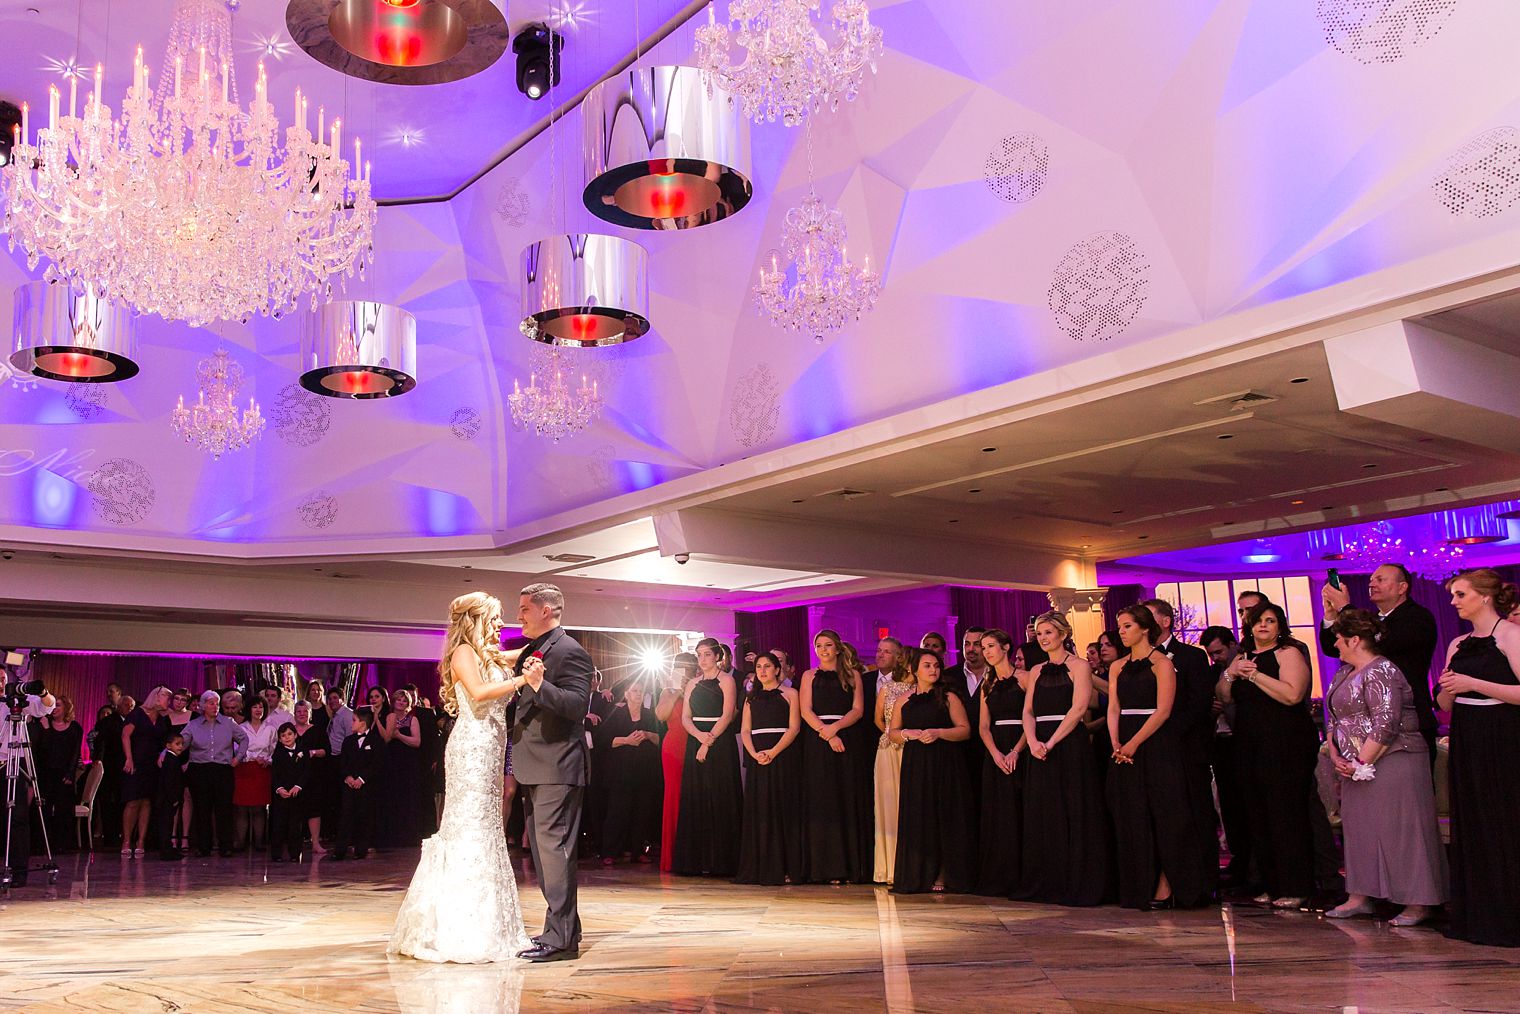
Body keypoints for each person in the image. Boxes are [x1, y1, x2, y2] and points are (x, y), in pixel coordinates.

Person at [390, 592, 536, 962]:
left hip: (491, 749)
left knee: (488, 827)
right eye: (496, 616)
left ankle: (491, 922)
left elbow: (521, 653)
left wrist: (545, 644)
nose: (503, 622)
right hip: (470, 748)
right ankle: (459, 927)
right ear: (475, 618)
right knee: (467, 827)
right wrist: (523, 681)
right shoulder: (464, 653)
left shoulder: (488, 653)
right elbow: (480, 692)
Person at [1322, 609, 1445, 926]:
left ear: (1354, 639)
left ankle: (1418, 901)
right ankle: (1361, 896)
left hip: (1394, 759)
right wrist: (1337, 756)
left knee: (1401, 829)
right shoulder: (1343, 672)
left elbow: (1386, 723)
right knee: (1360, 829)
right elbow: (1335, 719)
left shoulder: (1383, 671)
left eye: (1337, 638)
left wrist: (1363, 762)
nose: (1334, 644)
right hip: (1354, 763)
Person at [508, 583, 595, 963]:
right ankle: (561, 931)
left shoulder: (571, 652)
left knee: (555, 855)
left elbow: (577, 706)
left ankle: (561, 941)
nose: (519, 614)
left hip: (558, 766)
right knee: (545, 859)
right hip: (535, 765)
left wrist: (540, 685)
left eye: (525, 608)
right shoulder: (534, 648)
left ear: (547, 610)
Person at [1436, 569, 1520, 947]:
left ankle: (1508, 917)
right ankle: (1478, 915)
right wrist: (1447, 689)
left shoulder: (1511, 635)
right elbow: (1444, 704)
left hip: (1502, 734)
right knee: (1471, 818)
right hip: (1466, 733)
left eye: (1460, 594)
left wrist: (1474, 684)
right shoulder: (1458, 643)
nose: (1454, 602)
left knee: (1503, 818)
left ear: (1484, 597)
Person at [1219, 602, 1318, 909]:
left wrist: (1253, 676)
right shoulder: (1243, 657)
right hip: (1249, 743)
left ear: (1279, 626)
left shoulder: (1287, 653)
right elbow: (1223, 697)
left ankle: (1296, 885)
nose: (1263, 626)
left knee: (1284, 814)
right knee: (1257, 815)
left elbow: (1292, 695)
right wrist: (1230, 673)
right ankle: (1270, 883)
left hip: (1284, 744)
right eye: (1257, 621)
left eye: (1270, 621)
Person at [1108, 607, 1208, 910]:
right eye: (1120, 626)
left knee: (1165, 814)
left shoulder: (1162, 663)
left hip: (1155, 743)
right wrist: (1115, 741)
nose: (1121, 632)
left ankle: (1169, 884)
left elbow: (1163, 710)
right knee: (1130, 815)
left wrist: (1134, 743)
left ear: (1144, 628)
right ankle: (1138, 885)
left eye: (1127, 626)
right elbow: (1114, 707)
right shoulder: (1117, 666)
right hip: (1122, 743)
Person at [1016, 613, 1110, 907]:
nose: (1043, 638)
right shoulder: (1036, 670)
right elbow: (1028, 711)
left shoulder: (1079, 666)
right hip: (1039, 745)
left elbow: (1079, 707)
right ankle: (1048, 880)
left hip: (1068, 743)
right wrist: (1032, 742)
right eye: (1039, 633)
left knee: (1074, 808)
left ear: (1062, 634)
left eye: (1048, 632)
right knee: (1044, 812)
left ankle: (1077, 880)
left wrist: (1052, 741)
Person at [1321, 564, 1439, 758]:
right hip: (1365, 721)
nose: (1372, 584)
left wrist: (1345, 608)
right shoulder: (1372, 619)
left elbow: (1380, 644)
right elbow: (1331, 648)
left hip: (1408, 716)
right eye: (1371, 581)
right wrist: (1331, 615)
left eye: (1380, 580)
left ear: (1402, 587)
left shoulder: (1418, 617)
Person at [1142, 599, 1218, 893]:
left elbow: (1200, 704)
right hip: (1149, 748)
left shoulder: (1190, 656)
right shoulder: (1136, 659)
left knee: (1194, 812)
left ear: (1165, 621)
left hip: (1184, 746)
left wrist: (1166, 732)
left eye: (1148, 617)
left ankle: (1202, 882)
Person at [890, 648, 974, 894]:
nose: (933, 670)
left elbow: (964, 730)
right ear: (914, 670)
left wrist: (939, 733)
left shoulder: (948, 696)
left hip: (946, 760)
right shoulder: (904, 699)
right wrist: (908, 734)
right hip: (916, 762)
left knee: (945, 815)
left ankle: (945, 872)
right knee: (919, 815)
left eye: (936, 666)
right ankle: (919, 872)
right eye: (927, 666)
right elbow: (893, 733)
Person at [799, 629, 868, 884]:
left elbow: (858, 710)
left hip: (847, 737)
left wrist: (836, 730)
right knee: (822, 799)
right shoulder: (808, 676)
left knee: (845, 797)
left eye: (828, 645)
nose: (823, 650)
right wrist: (825, 733)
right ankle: (823, 867)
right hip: (818, 740)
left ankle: (849, 867)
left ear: (838, 648)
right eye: (819, 646)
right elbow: (805, 710)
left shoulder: (853, 675)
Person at [673, 638, 743, 878]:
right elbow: (685, 718)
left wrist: (709, 740)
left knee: (720, 795)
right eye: (699, 655)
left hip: (720, 742)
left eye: (706, 654)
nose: (702, 659)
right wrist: (699, 738)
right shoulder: (692, 683)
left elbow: (727, 715)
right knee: (696, 796)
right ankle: (696, 860)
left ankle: (723, 862)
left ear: (717, 656)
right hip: (697, 739)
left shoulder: (727, 681)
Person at [735, 653, 804, 885]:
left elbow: (794, 728)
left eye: (767, 666)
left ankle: (786, 867)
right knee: (760, 810)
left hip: (782, 756)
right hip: (758, 756)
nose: (762, 671)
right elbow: (745, 730)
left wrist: (773, 752)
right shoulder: (750, 698)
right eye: (758, 667)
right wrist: (754, 754)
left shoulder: (791, 694)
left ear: (777, 670)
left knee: (783, 809)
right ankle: (760, 867)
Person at [975, 628, 1026, 896]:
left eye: (991, 646)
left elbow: (1031, 717)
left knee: (1022, 810)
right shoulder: (987, 684)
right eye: (984, 648)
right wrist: (995, 753)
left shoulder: (1026, 678)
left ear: (1006, 648)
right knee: (999, 813)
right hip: (995, 750)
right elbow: (984, 726)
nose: (986, 652)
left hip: (1022, 745)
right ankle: (1000, 875)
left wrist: (1016, 750)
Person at [1199, 626, 1250, 886]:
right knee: (1228, 806)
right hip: (1220, 743)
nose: (1215, 657)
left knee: (1248, 804)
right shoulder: (1211, 672)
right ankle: (1239, 859)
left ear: (1233, 644)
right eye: (1210, 654)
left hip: (1244, 741)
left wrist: (1227, 701)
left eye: (1218, 651)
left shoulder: (1248, 666)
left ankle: (1253, 866)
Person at [598, 681, 663, 866]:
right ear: (626, 694)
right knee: (617, 812)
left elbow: (660, 739)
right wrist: (627, 740)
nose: (638, 694)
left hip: (644, 770)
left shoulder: (650, 715)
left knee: (642, 812)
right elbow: (604, 741)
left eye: (641, 691)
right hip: (620, 771)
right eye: (634, 691)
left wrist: (648, 735)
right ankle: (610, 852)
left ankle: (638, 851)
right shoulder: (616, 713)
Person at [0, 668, 54, 888]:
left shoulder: (16, 700)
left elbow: (47, 706)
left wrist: (42, 692)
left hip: (12, 762)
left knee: (17, 817)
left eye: (3, 679)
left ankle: (18, 871)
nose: (1, 683)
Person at [182, 690, 248, 858]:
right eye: (211, 703)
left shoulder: (228, 722)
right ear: (203, 706)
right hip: (199, 769)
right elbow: (181, 743)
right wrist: (166, 754)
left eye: (217, 703)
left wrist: (238, 758)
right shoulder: (193, 725)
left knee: (224, 809)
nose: (215, 707)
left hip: (222, 769)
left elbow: (244, 739)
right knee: (202, 809)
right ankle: (204, 846)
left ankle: (225, 846)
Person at [871, 636, 914, 885]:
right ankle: (888, 868)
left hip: (914, 750)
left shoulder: (923, 689)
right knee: (888, 807)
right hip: (889, 749)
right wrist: (892, 735)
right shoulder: (889, 688)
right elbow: (878, 719)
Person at [656, 652, 697, 873]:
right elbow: (661, 715)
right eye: (680, 666)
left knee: (695, 795)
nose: (685, 669)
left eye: (689, 665)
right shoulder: (668, 690)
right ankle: (672, 857)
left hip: (695, 744)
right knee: (674, 797)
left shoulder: (700, 686)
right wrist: (675, 693)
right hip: (673, 747)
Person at [31, 695, 83, 855]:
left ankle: (62, 844)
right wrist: (46, 730)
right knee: (43, 809)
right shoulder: (44, 725)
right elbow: (43, 751)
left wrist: (70, 774)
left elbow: (75, 753)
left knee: (64, 810)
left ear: (66, 708)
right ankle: (41, 844)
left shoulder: (75, 728)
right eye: (53, 706)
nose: (54, 708)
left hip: (64, 774)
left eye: (58, 705)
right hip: (46, 773)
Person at [333, 708, 381, 862]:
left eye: (354, 720)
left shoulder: (375, 741)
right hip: (349, 786)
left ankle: (361, 849)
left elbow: (376, 764)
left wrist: (361, 779)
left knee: (364, 817)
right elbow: (343, 762)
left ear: (363, 723)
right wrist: (348, 777)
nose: (351, 723)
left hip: (366, 787)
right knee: (345, 817)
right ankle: (339, 850)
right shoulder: (348, 741)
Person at [233, 698, 275, 853]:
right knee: (242, 808)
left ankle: (259, 843)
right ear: (249, 709)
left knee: (260, 808)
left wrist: (267, 760)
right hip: (244, 768)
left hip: (262, 769)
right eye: (255, 707)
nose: (258, 710)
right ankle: (240, 843)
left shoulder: (270, 729)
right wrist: (251, 756)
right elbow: (237, 747)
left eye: (261, 707)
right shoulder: (241, 728)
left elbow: (274, 749)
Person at [292, 701, 330, 855]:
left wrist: (312, 752)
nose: (302, 713)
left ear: (310, 713)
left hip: (314, 776)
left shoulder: (318, 731)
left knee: (314, 809)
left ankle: (315, 843)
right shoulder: (289, 731)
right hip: (293, 777)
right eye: (299, 711)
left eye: (305, 711)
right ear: (294, 713)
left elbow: (326, 751)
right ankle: (294, 844)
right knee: (294, 811)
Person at [269, 723, 311, 863]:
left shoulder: (303, 751)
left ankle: (295, 854)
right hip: (281, 795)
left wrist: (298, 787)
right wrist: (279, 789)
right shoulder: (278, 753)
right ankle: (277, 854)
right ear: (279, 739)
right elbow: (274, 774)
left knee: (295, 825)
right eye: (283, 735)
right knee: (279, 824)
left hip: (297, 795)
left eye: (289, 734)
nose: (286, 737)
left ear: (295, 735)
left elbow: (306, 771)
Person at [323, 688, 354, 833]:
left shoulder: (347, 715)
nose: (332, 701)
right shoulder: (335, 715)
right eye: (330, 699)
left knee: (342, 797)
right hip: (333, 758)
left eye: (335, 698)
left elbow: (350, 738)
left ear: (342, 698)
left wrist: (346, 760)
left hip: (342, 758)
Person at [154, 733, 188, 861]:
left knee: (167, 824)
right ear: (168, 745)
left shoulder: (172, 759)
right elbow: (169, 782)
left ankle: (167, 849)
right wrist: (174, 798)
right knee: (166, 825)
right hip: (167, 800)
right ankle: (166, 850)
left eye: (182, 744)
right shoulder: (170, 760)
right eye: (177, 744)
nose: (180, 747)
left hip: (168, 799)